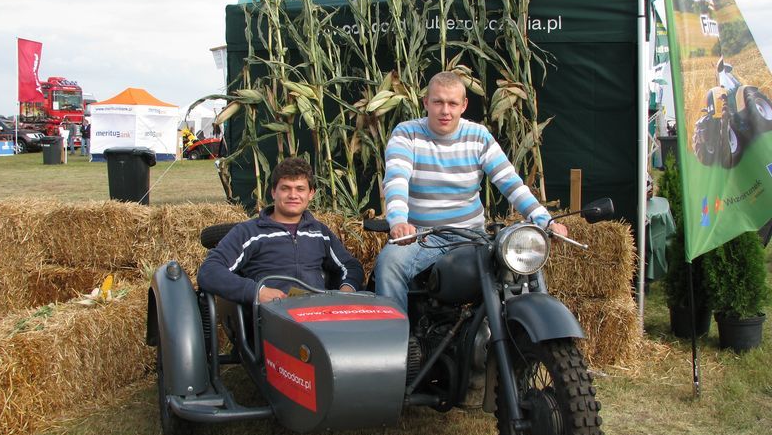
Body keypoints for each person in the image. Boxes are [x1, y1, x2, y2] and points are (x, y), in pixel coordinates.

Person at [374, 71, 568, 311]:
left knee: (522, 264)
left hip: (471, 236)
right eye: (438, 102)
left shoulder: (478, 136)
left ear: (464, 105)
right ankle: (396, 342)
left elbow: (510, 182)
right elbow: (396, 180)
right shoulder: (406, 134)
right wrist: (399, 222)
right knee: (389, 263)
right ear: (426, 102)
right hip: (422, 236)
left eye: (452, 103)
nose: (445, 110)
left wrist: (544, 220)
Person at [197, 156, 364, 304]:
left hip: (318, 313)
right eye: (285, 188)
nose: (293, 195)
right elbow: (209, 271)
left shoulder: (320, 233)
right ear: (273, 192)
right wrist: (257, 292)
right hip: (272, 317)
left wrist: (346, 293)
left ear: (311, 194)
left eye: (300, 189)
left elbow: (350, 266)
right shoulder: (249, 232)